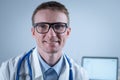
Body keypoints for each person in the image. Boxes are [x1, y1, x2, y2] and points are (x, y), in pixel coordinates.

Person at [0, 1, 88, 80]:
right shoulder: (9, 70)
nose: (51, 35)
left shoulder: (81, 75)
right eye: (42, 26)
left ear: (68, 32)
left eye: (58, 26)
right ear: (33, 32)